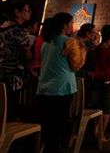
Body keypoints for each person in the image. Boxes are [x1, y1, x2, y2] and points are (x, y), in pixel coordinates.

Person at [37, 12, 86, 152]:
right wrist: (82, 49)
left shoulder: (46, 41)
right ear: (65, 26)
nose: (73, 26)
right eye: (71, 23)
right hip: (62, 87)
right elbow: (76, 65)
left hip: (44, 87)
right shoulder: (69, 42)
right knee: (58, 126)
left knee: (47, 125)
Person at [0, 0, 32, 120]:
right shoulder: (20, 31)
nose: (29, 13)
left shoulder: (2, 28)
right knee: (10, 111)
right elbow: (25, 56)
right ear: (17, 13)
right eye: (27, 10)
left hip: (1, 73)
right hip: (13, 77)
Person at [90, 25, 110, 142]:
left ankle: (95, 131)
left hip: (96, 78)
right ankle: (101, 134)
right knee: (106, 107)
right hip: (109, 79)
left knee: (96, 107)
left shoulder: (97, 48)